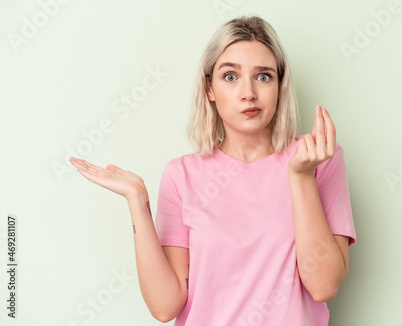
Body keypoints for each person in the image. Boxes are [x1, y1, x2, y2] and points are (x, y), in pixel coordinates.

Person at [70, 15, 356, 325]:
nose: (248, 92)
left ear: (280, 85)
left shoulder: (318, 158)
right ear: (209, 88)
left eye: (263, 76)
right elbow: (166, 307)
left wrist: (300, 177)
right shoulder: (182, 176)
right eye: (230, 76)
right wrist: (137, 201)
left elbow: (324, 285)